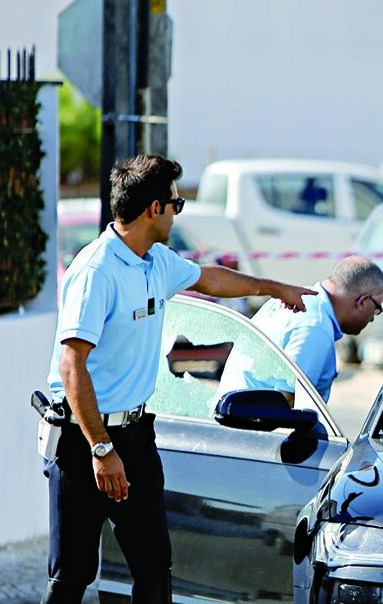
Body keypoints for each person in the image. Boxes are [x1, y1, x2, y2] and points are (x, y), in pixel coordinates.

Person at [42, 154, 315, 604]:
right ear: (155, 209)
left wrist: (274, 288)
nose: (177, 210)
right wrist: (101, 449)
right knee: (71, 578)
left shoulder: (155, 261)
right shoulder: (96, 271)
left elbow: (210, 280)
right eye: (177, 203)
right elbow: (73, 365)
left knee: (154, 571)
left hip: (134, 436)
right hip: (84, 441)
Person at [241, 255, 383, 405]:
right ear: (362, 301)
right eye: (377, 308)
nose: (372, 318)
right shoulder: (316, 328)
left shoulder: (296, 301)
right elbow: (285, 405)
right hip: (250, 423)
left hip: (234, 418)